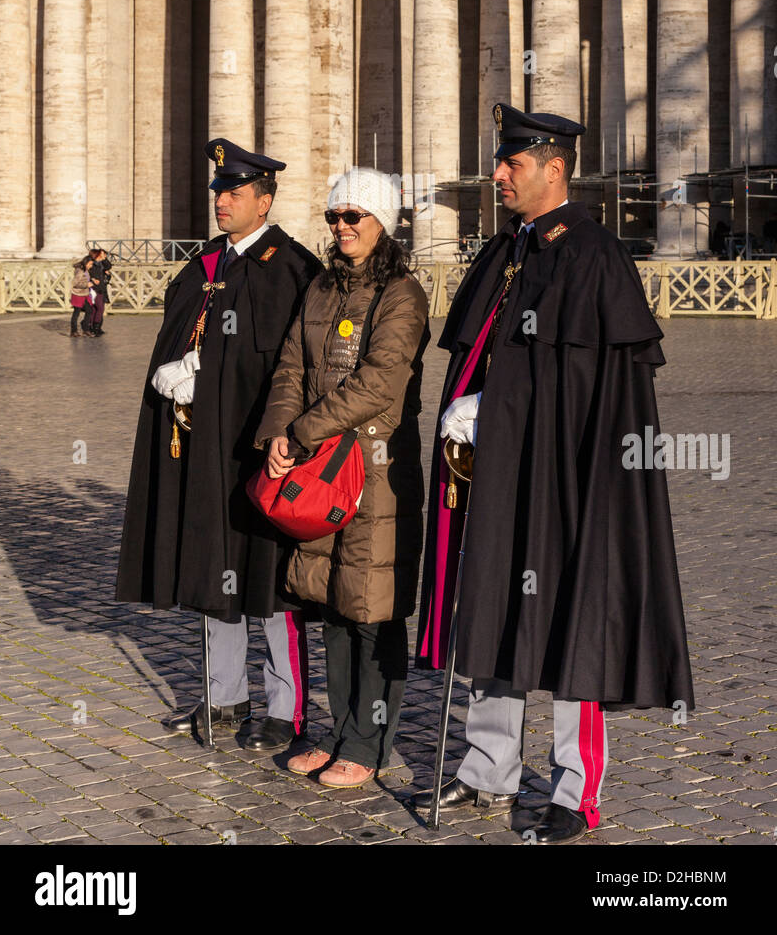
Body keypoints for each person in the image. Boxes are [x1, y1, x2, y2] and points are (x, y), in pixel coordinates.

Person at [415, 104, 694, 843]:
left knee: (578, 622)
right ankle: (488, 767)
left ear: (555, 167)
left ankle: (576, 791)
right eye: (499, 162)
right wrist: (470, 410)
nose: (497, 174)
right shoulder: (508, 251)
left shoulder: (594, 255)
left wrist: (497, 409)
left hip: (575, 484)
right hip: (501, 474)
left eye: (511, 164)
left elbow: (593, 390)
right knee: (493, 605)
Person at [116, 139, 322, 749]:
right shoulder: (204, 264)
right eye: (218, 191)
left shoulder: (291, 269)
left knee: (271, 581)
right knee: (214, 571)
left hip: (259, 453)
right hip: (197, 453)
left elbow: (295, 368)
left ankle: (286, 708)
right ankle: (223, 697)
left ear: (264, 200)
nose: (222, 200)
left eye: (234, 192)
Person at [255, 169, 429, 788]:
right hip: (321, 465)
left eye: (355, 216)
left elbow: (381, 382)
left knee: (371, 605)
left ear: (382, 222)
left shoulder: (403, 293)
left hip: (376, 469)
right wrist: (279, 432)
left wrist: (304, 431)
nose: (342, 227)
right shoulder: (322, 288)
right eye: (335, 217)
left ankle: (370, 742)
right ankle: (337, 733)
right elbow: (291, 366)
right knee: (330, 597)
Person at [70, 258, 92, 337]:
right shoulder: (79, 271)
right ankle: (73, 331)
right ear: (85, 263)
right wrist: (86, 285)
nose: (91, 266)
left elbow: (86, 280)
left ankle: (85, 329)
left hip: (85, 294)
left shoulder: (86, 271)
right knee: (76, 313)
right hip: (78, 294)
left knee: (89, 310)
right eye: (90, 264)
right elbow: (74, 283)